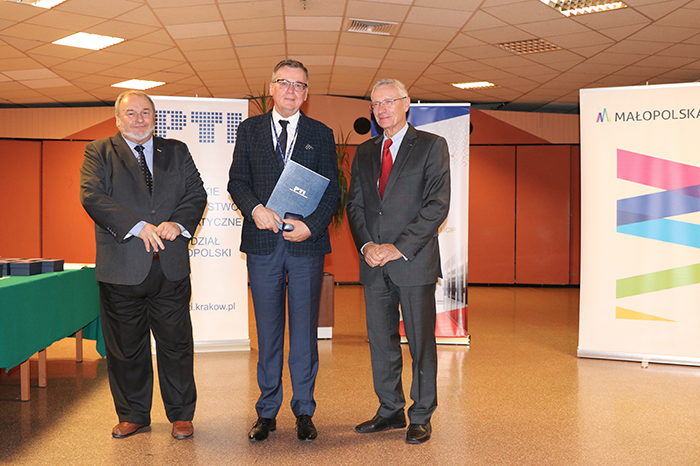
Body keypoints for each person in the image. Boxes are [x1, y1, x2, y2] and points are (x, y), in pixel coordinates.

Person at [80, 90, 207, 440]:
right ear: (118, 119)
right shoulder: (99, 151)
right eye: (131, 113)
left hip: (170, 268)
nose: (139, 119)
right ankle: (133, 414)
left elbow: (196, 193)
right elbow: (92, 196)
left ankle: (181, 415)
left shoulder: (177, 150)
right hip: (121, 269)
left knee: (176, 345)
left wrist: (178, 223)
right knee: (125, 348)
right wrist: (137, 227)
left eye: (146, 112)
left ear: (155, 117)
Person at [228, 59, 340, 442]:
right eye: (284, 83)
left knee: (305, 333)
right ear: (272, 87)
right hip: (262, 245)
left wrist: (312, 225)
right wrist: (255, 209)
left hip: (306, 245)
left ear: (306, 93)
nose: (291, 90)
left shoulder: (320, 134)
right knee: (268, 332)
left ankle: (304, 410)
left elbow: (333, 190)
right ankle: (267, 411)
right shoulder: (249, 130)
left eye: (299, 85)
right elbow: (237, 181)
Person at [345, 78, 451, 444]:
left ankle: (421, 414)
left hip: (413, 261)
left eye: (389, 101)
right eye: (376, 104)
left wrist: (397, 247)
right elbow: (355, 204)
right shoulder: (365, 151)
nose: (382, 109)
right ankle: (390, 410)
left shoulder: (432, 146)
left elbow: (437, 204)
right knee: (381, 341)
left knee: (421, 342)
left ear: (406, 104)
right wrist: (366, 245)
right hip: (374, 264)